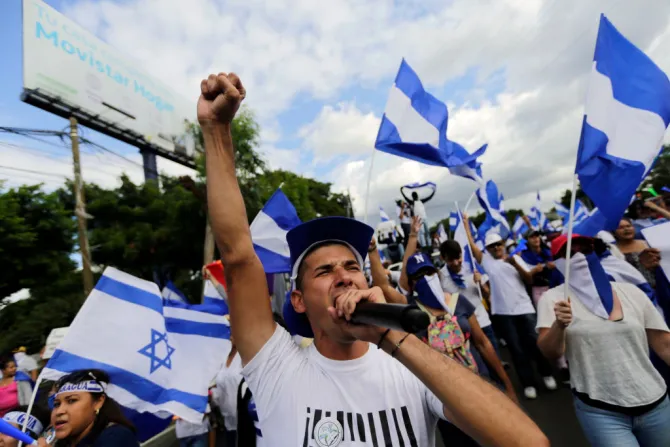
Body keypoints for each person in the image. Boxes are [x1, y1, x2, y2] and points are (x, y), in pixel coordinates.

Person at [199, 71, 548, 446]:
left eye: (353, 267)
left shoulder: (409, 365)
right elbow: (237, 256)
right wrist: (217, 132)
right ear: (297, 300)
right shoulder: (277, 367)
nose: (345, 276)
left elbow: (527, 442)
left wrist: (391, 338)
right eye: (325, 270)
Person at [537, 234, 670, 447]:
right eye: (569, 253)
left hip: (655, 404)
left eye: (585, 250)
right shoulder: (553, 299)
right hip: (602, 411)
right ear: (558, 262)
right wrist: (559, 325)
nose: (579, 257)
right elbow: (551, 351)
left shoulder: (630, 292)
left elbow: (664, 344)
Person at [461, 214, 556, 400]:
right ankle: (528, 382)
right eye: (492, 246)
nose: (496, 248)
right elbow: (472, 247)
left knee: (535, 344)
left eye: (499, 244)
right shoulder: (487, 262)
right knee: (516, 349)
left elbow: (529, 279)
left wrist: (514, 264)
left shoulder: (516, 259)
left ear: (503, 244)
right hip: (504, 313)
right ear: (487, 249)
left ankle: (546, 374)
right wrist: (465, 225)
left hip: (524, 308)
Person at [38, 369, 139, 446]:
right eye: (56, 404)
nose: (59, 411)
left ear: (98, 402)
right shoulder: (60, 442)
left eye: (72, 401)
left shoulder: (116, 437)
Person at [438, 240, 498, 356]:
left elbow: (488, 294)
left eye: (458, 258)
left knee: (496, 358)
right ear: (442, 258)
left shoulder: (472, 265)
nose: (456, 263)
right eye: (451, 260)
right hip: (464, 330)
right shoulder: (441, 276)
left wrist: (480, 282)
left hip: (483, 323)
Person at [614, 217, 661, 288]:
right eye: (620, 227)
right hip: (633, 289)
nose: (626, 229)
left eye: (628, 226)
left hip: (659, 287)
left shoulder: (648, 243)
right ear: (614, 232)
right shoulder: (613, 250)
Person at [520, 230, 563, 307]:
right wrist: (534, 270)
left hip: (554, 287)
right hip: (537, 289)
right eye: (532, 237)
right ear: (527, 241)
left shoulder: (549, 251)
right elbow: (524, 275)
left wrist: (554, 266)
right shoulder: (524, 256)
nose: (535, 239)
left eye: (536, 236)